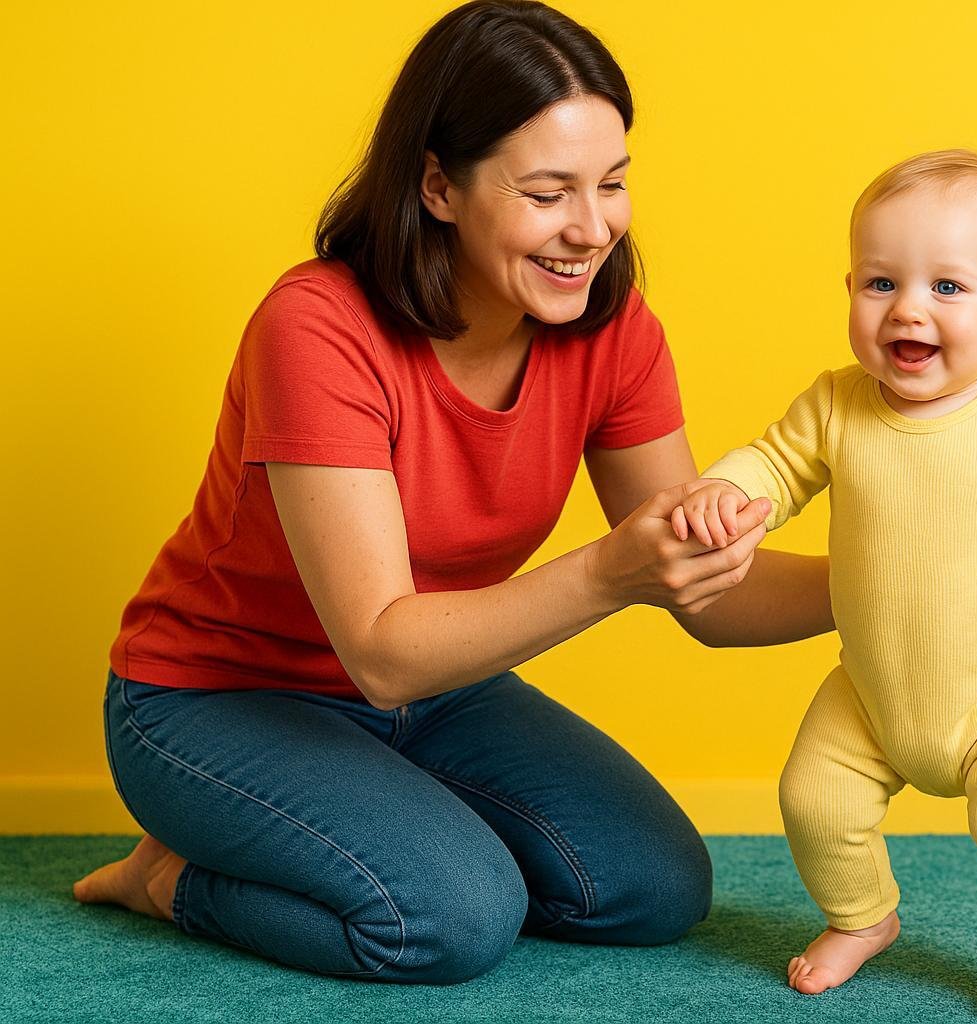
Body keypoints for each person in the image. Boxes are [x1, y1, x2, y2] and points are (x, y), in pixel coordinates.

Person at [69, 0, 832, 983]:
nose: (591, 229)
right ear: (438, 184)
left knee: (652, 886)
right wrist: (607, 571)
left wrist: (888, 577)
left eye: (612, 183)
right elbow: (382, 653)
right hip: (218, 697)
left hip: (439, 690)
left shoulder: (612, 331)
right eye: (548, 192)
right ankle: (169, 878)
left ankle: (375, 818)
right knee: (448, 917)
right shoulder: (317, 328)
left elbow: (710, 589)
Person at [672, 150, 977, 1021]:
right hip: (872, 689)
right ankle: (862, 919)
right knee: (813, 798)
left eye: (948, 288)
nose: (907, 308)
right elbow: (775, 463)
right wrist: (727, 489)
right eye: (879, 282)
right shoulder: (836, 403)